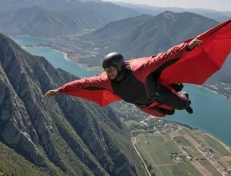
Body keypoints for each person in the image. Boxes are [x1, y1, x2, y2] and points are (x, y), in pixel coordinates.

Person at [45, 37, 202, 117]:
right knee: (166, 114)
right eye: (106, 70)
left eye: (111, 69)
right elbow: (81, 84)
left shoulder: (139, 70)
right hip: (141, 105)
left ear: (120, 67)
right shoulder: (105, 80)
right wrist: (60, 90)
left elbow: (164, 57)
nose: (108, 73)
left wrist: (187, 47)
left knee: (181, 105)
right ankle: (175, 94)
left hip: (157, 94)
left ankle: (183, 97)